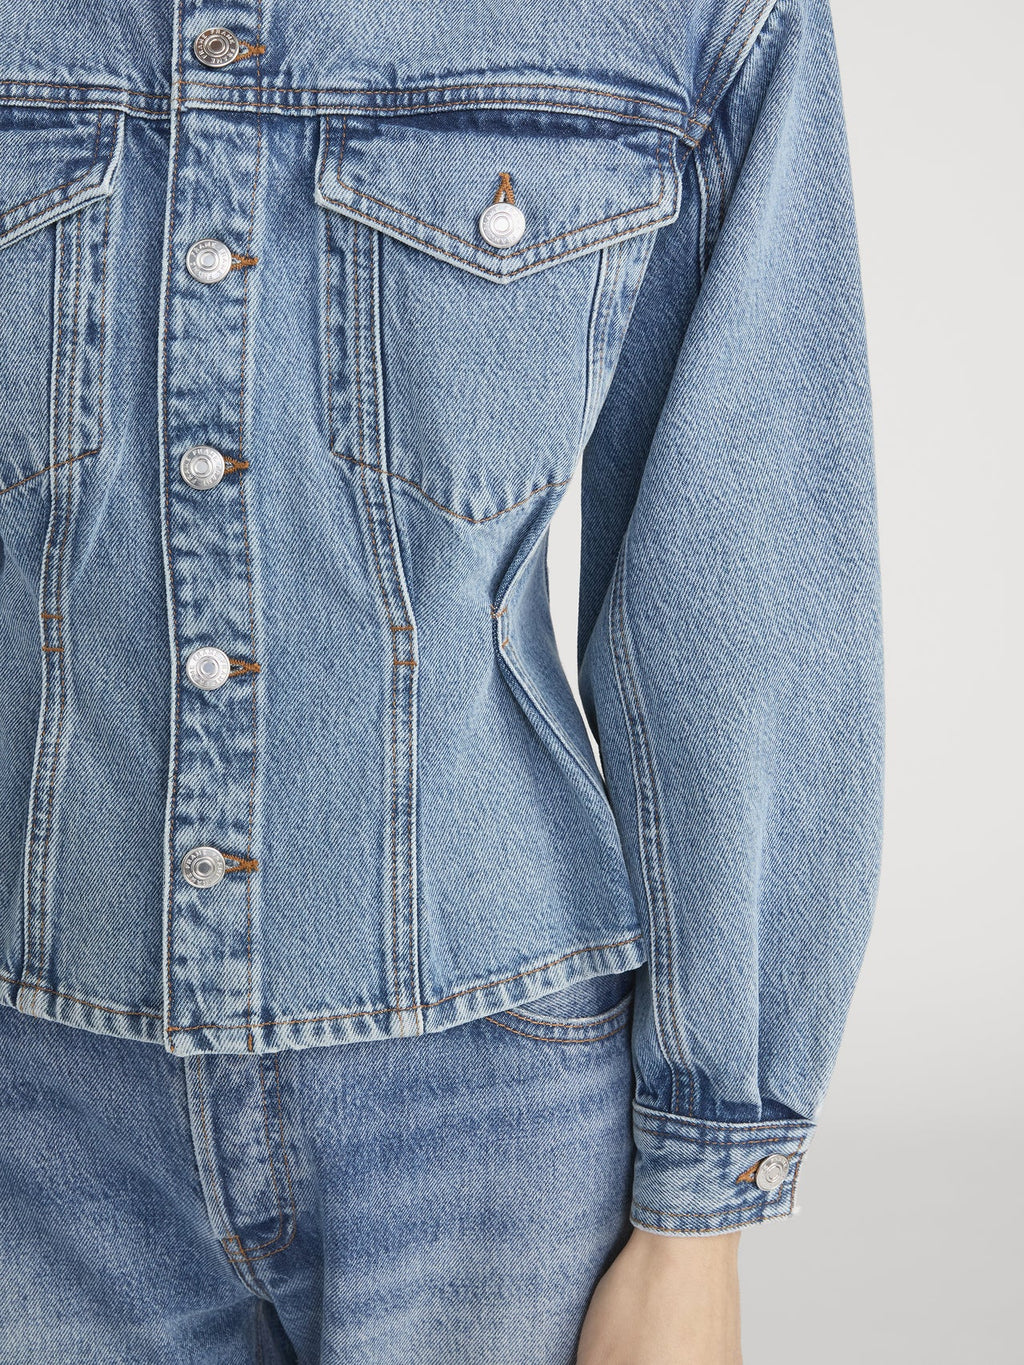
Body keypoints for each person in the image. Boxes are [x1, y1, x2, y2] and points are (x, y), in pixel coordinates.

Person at [0, 0, 881, 1359]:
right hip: (34, 1112)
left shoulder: (686, 21)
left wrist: (700, 1201)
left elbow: (743, 586)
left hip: (490, 1111)